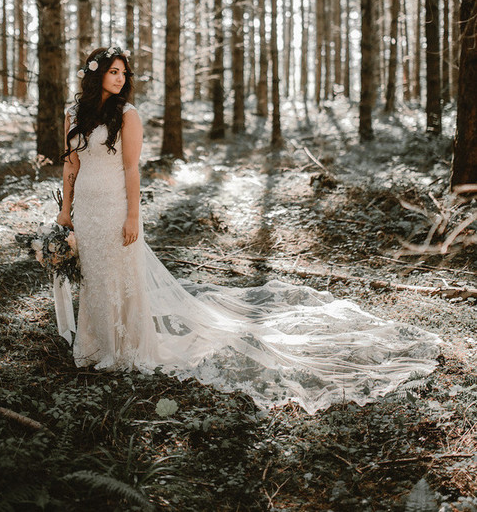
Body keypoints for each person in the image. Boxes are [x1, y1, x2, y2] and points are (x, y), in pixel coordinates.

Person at [57, 46, 441, 414]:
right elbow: (71, 166)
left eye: (125, 73)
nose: (121, 78)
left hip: (116, 207)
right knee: (94, 276)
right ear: (96, 74)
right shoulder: (74, 114)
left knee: (118, 275)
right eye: (114, 71)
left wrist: (132, 218)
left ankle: (122, 349)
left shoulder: (129, 115)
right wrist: (64, 212)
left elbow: (130, 170)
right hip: (87, 209)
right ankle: (94, 346)